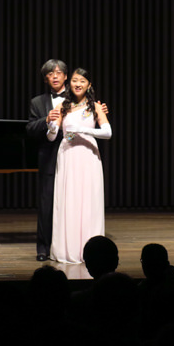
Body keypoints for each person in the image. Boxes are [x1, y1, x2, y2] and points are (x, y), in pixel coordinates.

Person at [47, 69, 112, 263]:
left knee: (88, 200)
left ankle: (90, 250)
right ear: (70, 83)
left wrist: (83, 130)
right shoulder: (62, 106)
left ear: (89, 85)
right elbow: (51, 137)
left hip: (88, 154)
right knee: (69, 200)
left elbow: (107, 132)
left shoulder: (96, 106)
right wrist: (51, 126)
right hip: (68, 154)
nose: (78, 84)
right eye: (75, 80)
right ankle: (68, 249)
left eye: (82, 81)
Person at [26, 59, 69, 261]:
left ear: (65, 76)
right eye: (50, 74)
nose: (55, 76)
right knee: (46, 204)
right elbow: (29, 129)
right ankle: (43, 248)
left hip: (72, 155)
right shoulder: (37, 102)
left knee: (71, 202)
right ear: (45, 79)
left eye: (58, 72)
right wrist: (46, 120)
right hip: (49, 157)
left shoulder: (76, 98)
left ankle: (68, 247)